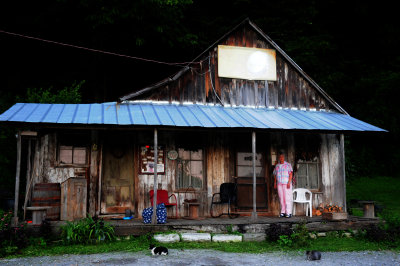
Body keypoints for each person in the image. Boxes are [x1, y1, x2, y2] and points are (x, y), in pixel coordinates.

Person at [273, 152, 293, 218]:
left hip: (286, 183)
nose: (281, 158)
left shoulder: (288, 165)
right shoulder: (277, 166)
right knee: (281, 198)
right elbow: (275, 175)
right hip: (279, 184)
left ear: (284, 158)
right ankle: (283, 212)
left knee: (287, 198)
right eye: (280, 157)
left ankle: (288, 212)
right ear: (279, 158)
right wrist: (275, 183)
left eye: (282, 157)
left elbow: (290, 174)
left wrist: (289, 182)